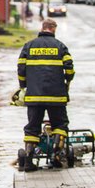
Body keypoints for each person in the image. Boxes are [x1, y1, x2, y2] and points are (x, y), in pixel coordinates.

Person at [16, 18, 74, 171]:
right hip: (57, 96)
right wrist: (67, 81)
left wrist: (23, 86)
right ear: (53, 29)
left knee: (32, 128)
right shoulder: (60, 46)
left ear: (43, 28)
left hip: (34, 96)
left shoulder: (28, 46)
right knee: (60, 125)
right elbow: (69, 69)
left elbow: (21, 69)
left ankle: (28, 161)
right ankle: (56, 155)